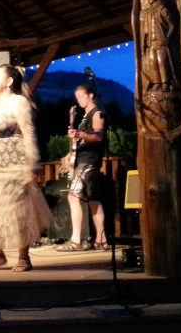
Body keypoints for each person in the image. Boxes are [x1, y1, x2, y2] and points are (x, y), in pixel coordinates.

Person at [0, 64, 52, 272]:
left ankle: (23, 257)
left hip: (16, 165)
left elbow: (28, 132)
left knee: (18, 212)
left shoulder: (19, 102)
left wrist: (33, 162)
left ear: (9, 81)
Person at [56, 84, 108, 251]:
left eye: (81, 97)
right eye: (77, 98)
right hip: (84, 160)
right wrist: (70, 153)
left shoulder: (97, 113)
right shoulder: (85, 116)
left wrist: (80, 134)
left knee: (73, 197)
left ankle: (76, 240)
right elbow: (82, 141)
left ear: (91, 95)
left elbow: (98, 136)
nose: (79, 100)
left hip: (89, 162)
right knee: (93, 199)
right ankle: (101, 240)